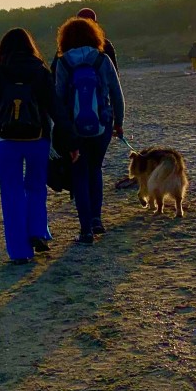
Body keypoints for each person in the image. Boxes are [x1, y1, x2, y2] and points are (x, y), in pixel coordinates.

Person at [0, 29, 63, 264]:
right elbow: (54, 107)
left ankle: (19, 252)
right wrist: (70, 138)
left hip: (8, 140)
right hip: (38, 138)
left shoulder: (0, 70)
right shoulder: (39, 69)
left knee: (11, 194)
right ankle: (36, 230)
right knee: (35, 187)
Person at [55, 16, 124, 244]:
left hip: (74, 128)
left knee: (80, 174)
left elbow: (58, 97)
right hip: (101, 125)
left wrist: (61, 127)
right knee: (95, 169)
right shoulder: (102, 59)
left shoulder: (64, 62)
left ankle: (85, 230)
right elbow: (116, 93)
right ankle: (97, 219)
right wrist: (118, 122)